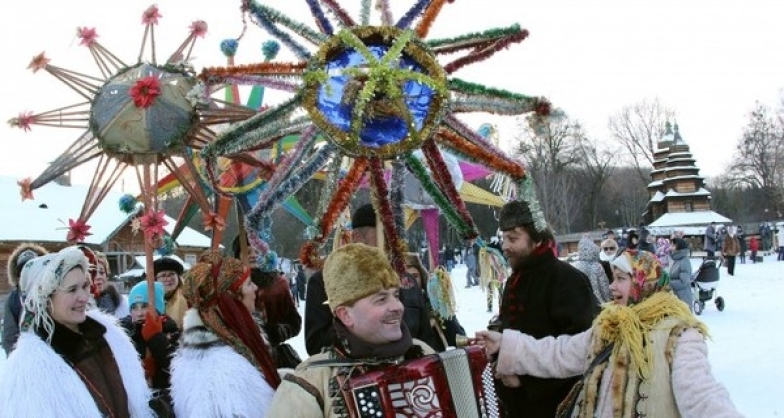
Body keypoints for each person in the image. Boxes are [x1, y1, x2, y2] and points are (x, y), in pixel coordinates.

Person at [477, 249, 743, 418]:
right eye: (613, 277)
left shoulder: (679, 334)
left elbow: (702, 395)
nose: (612, 287)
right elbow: (559, 354)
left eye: (621, 279)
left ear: (643, 282)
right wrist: (506, 343)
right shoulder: (609, 328)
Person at [268, 243, 436, 416]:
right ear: (345, 315)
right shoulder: (308, 385)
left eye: (396, 295)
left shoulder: (423, 352)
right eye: (381, 299)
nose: (398, 307)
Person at [0, 247, 154, 417]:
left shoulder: (108, 336)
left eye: (85, 286)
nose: (84, 296)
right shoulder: (30, 368)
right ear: (45, 298)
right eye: (72, 289)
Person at [492, 200, 598, 417]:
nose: (504, 246)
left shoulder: (567, 280)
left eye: (513, 238)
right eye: (503, 238)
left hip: (558, 407)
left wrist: (525, 382)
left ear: (537, 239)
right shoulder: (514, 281)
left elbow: (581, 354)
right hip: (518, 406)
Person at [305, 203, 437, 355]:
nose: (392, 243)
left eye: (395, 235)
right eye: (384, 236)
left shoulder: (407, 280)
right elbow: (316, 345)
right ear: (357, 238)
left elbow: (427, 338)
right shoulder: (324, 281)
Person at [170, 251, 280, 418]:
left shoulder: (227, 348)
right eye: (249, 283)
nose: (255, 288)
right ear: (232, 300)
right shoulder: (224, 374)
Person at [120, 281, 179, 415]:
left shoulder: (172, 332)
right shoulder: (124, 334)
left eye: (145, 306)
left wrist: (156, 339)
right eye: (134, 307)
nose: (139, 313)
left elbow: (175, 369)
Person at [405, 252, 466, 351]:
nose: (410, 282)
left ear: (422, 277)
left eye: (414, 276)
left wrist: (443, 308)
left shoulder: (432, 303)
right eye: (405, 278)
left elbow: (458, 338)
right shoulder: (396, 308)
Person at [3, 242, 48, 355]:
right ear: (18, 275)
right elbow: (9, 337)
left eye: (32, 267)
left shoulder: (53, 293)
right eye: (23, 269)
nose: (28, 272)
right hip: (27, 356)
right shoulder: (14, 300)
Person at [571, 236, 612, 304]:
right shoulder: (597, 266)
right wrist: (609, 299)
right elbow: (604, 286)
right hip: (598, 301)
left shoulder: (575, 266)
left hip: (581, 302)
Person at [154, 256, 188, 329]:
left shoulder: (187, 295)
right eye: (163, 275)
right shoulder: (151, 298)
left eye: (172, 274)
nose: (169, 279)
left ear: (178, 277)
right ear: (156, 279)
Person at [93, 251, 129, 318]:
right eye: (93, 273)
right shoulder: (81, 306)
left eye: (101, 272)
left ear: (106, 276)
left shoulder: (124, 303)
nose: (98, 277)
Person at [669, 237, 694, 311]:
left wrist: (668, 284)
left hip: (683, 299)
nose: (671, 248)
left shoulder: (684, 261)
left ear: (678, 248)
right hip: (677, 297)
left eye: (673, 246)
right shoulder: (677, 260)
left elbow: (683, 282)